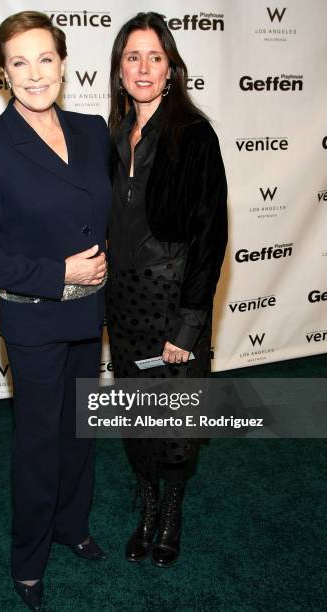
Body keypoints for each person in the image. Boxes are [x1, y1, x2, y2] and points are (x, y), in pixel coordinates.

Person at [0, 11, 111, 611]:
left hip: (88, 312)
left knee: (80, 431)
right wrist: (60, 273)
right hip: (35, 319)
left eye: (44, 58)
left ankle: (74, 527)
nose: (34, 73)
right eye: (19, 62)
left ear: (64, 63)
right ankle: (29, 559)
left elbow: (109, 217)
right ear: (4, 74)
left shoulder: (93, 129)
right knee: (39, 441)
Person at [106, 12, 228, 568]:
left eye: (155, 56)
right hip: (124, 301)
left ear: (172, 68)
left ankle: (172, 509)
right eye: (133, 56)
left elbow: (210, 237)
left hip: (172, 296)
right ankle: (147, 504)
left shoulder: (195, 136)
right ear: (119, 69)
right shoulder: (111, 134)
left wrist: (189, 323)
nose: (144, 67)